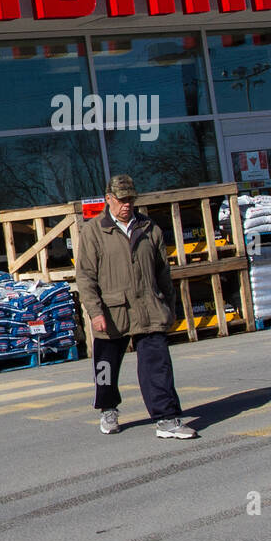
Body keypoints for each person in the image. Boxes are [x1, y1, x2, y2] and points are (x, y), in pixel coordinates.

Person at [76, 174, 197, 439]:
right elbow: (85, 277)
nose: (126, 205)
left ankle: (167, 418)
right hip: (112, 312)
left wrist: (170, 307)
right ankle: (107, 407)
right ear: (108, 199)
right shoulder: (93, 232)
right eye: (121, 200)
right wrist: (95, 312)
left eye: (130, 199)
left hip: (148, 308)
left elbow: (163, 272)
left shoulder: (149, 228)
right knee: (105, 367)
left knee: (157, 365)